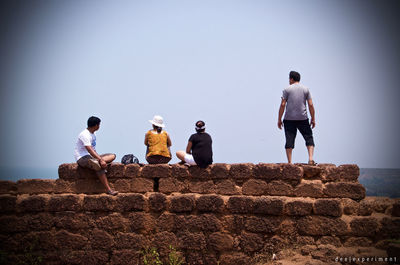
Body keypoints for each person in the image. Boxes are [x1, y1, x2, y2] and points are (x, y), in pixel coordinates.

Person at [278, 71, 316, 165]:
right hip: (303, 118)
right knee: (309, 137)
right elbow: (310, 104)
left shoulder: (286, 90)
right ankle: (311, 158)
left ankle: (290, 162)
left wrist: (279, 119)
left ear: (291, 79)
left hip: (289, 119)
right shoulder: (306, 89)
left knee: (289, 140)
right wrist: (313, 118)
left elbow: (283, 105)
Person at [74, 116, 118, 195]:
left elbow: (94, 150)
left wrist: (99, 158)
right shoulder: (85, 134)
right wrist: (100, 160)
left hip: (91, 156)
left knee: (113, 155)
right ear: (96, 125)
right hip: (82, 157)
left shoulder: (93, 134)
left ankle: (101, 162)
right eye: (99, 125)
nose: (99, 126)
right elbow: (89, 150)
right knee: (97, 166)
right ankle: (109, 190)